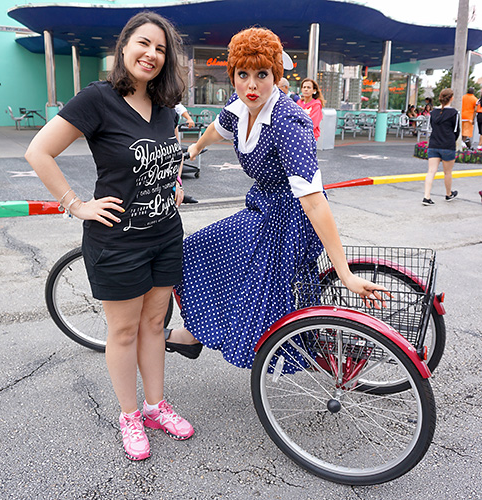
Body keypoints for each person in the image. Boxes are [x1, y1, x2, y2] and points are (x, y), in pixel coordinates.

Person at [164, 27, 388, 369]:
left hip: (289, 217)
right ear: (233, 76)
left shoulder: (288, 123)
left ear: (276, 76)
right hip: (264, 206)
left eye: (262, 75)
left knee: (204, 252)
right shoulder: (240, 106)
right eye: (243, 75)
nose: (251, 85)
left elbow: (314, 201)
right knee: (210, 255)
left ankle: (199, 335)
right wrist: (193, 148)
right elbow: (217, 129)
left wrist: (343, 272)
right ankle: (197, 333)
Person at [25, 11, 194, 461]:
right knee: (123, 332)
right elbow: (38, 151)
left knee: (154, 325)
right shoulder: (98, 99)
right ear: (124, 48)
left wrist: (174, 183)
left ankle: (156, 406)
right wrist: (76, 205)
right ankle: (129, 415)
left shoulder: (163, 106)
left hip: (164, 234)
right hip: (117, 240)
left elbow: (169, 153)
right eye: (144, 44)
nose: (152, 54)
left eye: (161, 49)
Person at [422, 88, 460, 206]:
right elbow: (456, 131)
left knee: (431, 171)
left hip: (433, 144)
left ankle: (426, 196)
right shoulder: (454, 113)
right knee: (447, 172)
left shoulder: (433, 112)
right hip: (448, 145)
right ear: (451, 98)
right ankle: (448, 194)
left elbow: (429, 129)